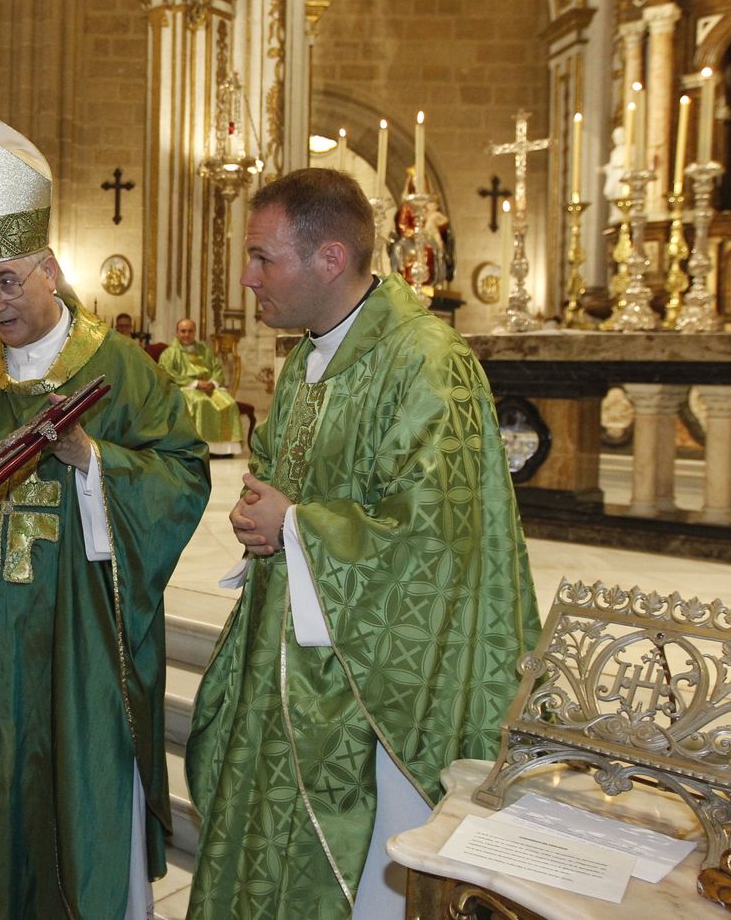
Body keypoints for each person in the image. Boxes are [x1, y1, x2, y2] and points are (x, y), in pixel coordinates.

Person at [184, 169, 541, 920]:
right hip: (293, 670)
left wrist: (297, 527)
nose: (247, 279)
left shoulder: (427, 360)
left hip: (376, 691)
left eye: (261, 258)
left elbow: (441, 539)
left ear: (331, 258)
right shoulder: (310, 358)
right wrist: (263, 519)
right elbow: (288, 480)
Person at [0, 113, 210, 920]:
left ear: (51, 268)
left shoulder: (119, 368)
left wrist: (93, 463)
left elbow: (182, 473)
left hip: (81, 651)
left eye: (9, 281)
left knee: (75, 818)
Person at [158, 318, 244, 456]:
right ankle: (201, 448)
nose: (186, 334)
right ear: (177, 332)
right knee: (201, 403)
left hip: (209, 387)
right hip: (185, 388)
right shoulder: (169, 353)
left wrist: (212, 382)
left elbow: (217, 368)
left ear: (195, 332)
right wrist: (196, 383)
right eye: (183, 331)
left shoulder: (205, 350)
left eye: (190, 331)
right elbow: (166, 374)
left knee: (230, 403)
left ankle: (225, 450)